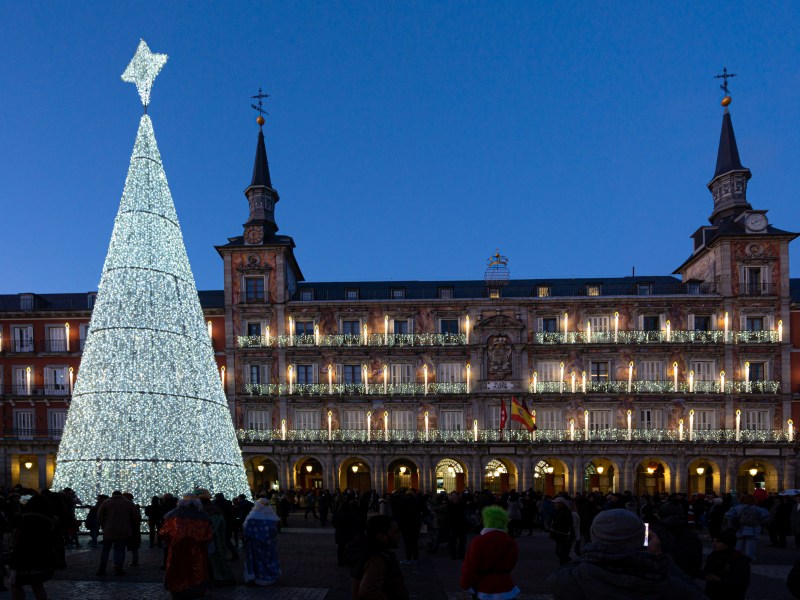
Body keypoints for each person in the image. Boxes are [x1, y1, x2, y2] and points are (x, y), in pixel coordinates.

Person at [547, 508, 705, 600]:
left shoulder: (567, 579)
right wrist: (661, 557)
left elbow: (571, 567)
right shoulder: (662, 583)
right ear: (643, 538)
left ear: (594, 538)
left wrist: (592, 550)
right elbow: (697, 595)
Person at [159, 493, 214, 599]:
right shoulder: (203, 516)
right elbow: (207, 535)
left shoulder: (172, 515)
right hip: (196, 550)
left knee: (178, 568)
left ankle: (177, 588)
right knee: (196, 569)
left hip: (176, 549)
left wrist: (172, 540)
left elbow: (163, 532)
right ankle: (196, 588)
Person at [460, 505, 520, 600]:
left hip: (484, 586)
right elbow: (512, 563)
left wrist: (465, 584)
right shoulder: (510, 542)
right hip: (506, 585)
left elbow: (470, 566)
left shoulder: (478, 541)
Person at [347, 514, 409, 600]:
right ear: (382, 536)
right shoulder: (377, 559)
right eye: (395, 532)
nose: (398, 535)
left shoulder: (367, 551)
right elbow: (368, 591)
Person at [8, 495, 58, 600]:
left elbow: (20, 540)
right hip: (42, 557)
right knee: (37, 586)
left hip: (24, 558)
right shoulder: (49, 520)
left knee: (16, 585)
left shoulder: (26, 519)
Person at [197, 489, 236, 587]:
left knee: (217, 561)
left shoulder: (212, 513)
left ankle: (220, 579)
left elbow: (212, 529)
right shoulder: (210, 510)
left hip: (214, 543)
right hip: (212, 542)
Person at [97, 490, 138, 576]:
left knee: (105, 550)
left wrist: (103, 526)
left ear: (112, 495)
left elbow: (99, 515)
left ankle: (102, 569)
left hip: (109, 530)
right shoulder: (128, 503)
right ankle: (119, 569)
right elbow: (136, 516)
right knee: (121, 550)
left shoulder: (106, 502)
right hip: (123, 530)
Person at [700, 530, 750, 600]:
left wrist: (720, 580)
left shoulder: (738, 559)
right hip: (713, 593)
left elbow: (742, 582)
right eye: (713, 541)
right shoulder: (714, 554)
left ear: (728, 543)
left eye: (718, 542)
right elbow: (707, 570)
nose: (714, 544)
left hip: (730, 595)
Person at [242, 497, 281, 586]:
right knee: (269, 558)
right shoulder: (272, 517)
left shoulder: (253, 517)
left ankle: (257, 575)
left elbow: (246, 529)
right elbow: (275, 531)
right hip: (269, 544)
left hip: (256, 544)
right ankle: (270, 574)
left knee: (257, 559)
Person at [724, 494, 769, 562]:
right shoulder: (759, 509)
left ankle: (735, 559)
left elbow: (728, 516)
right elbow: (765, 518)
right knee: (751, 546)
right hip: (753, 529)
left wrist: (733, 524)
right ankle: (749, 559)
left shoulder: (737, 507)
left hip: (740, 528)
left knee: (738, 546)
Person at [549, 497, 574, 565]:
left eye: (556, 503)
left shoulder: (565, 512)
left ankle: (567, 565)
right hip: (560, 535)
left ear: (561, 504)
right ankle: (568, 564)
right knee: (559, 552)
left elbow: (568, 524)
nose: (555, 505)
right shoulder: (559, 511)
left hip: (564, 536)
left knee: (562, 553)